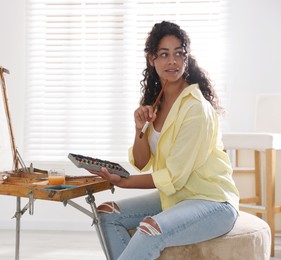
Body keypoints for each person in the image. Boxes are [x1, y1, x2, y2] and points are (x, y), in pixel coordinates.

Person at [89, 21, 240, 260]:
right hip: (176, 198)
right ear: (152, 59)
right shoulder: (155, 103)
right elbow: (141, 162)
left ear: (186, 58)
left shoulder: (196, 109)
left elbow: (173, 176)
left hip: (212, 202)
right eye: (164, 54)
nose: (172, 61)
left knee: (151, 229)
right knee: (106, 213)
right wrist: (139, 128)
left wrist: (124, 182)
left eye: (179, 53)